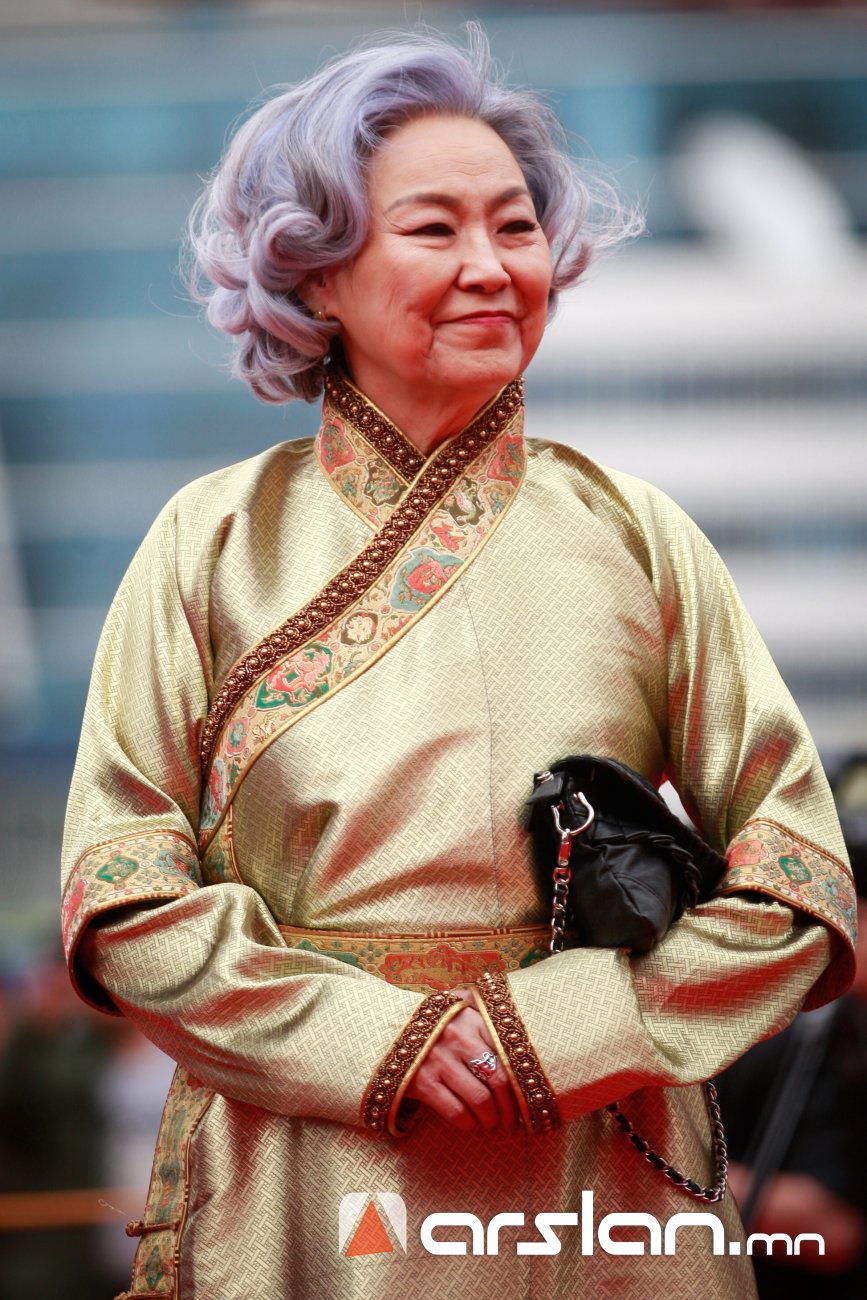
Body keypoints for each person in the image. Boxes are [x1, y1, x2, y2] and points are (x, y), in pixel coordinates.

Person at [60, 27, 855, 1300]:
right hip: (316, 1164)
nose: (492, 266)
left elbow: (803, 880)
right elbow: (121, 894)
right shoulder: (207, 544)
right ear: (316, 273)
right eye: (435, 230)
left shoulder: (638, 537)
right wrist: (372, 1040)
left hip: (603, 1163)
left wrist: (565, 1031)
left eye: (516, 227)